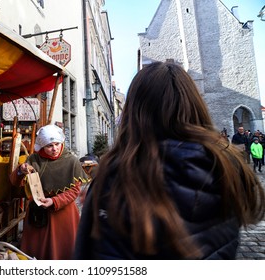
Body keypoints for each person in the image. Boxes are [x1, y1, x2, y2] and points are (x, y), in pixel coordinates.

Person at [74, 62, 265, 260]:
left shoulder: (117, 176)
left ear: (134, 112)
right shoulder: (226, 165)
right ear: (194, 106)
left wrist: (97, 199)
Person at [10, 124, 88, 260]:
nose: (54, 149)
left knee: (62, 254)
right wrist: (20, 171)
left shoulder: (71, 161)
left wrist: (54, 201)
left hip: (63, 216)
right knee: (36, 253)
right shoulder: (33, 160)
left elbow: (74, 190)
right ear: (42, 146)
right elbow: (15, 183)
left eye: (57, 144)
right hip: (38, 214)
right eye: (49, 146)